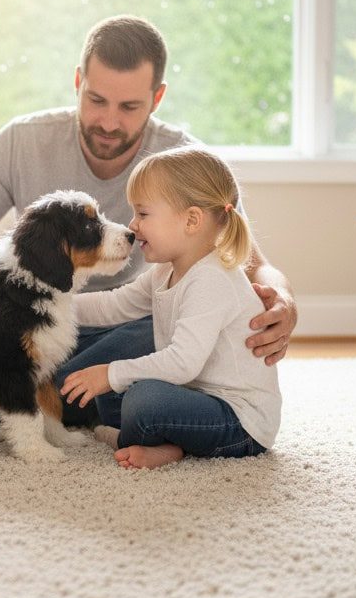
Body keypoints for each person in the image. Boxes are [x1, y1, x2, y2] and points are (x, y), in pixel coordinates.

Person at [0, 15, 296, 425]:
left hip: (113, 332)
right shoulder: (22, 140)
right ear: (78, 81)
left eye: (129, 107)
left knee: (164, 327)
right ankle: (0, 386)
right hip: (17, 317)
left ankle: (5, 394)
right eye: (96, 99)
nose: (108, 121)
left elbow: (251, 263)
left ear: (157, 98)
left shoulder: (181, 162)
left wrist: (281, 297)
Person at [60, 146, 281, 469]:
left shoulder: (212, 278)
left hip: (238, 421)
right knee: (112, 388)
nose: (133, 225)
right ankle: (165, 437)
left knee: (143, 399)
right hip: (195, 396)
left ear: (191, 220)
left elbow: (182, 364)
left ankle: (164, 446)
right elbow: (114, 305)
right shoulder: (166, 269)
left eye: (143, 214)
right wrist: (53, 306)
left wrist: (112, 374)